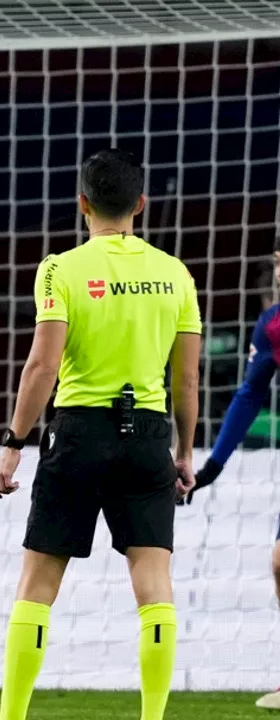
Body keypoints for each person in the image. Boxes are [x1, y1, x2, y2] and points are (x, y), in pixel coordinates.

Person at [0, 149, 201, 720]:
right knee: (154, 588)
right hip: (149, 435)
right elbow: (186, 378)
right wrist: (183, 453)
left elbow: (41, 366)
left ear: (82, 204)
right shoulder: (176, 273)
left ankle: (11, 718)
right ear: (141, 205)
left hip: (79, 432)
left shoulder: (61, 268)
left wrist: (13, 443)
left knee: (37, 587)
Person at [180, 236, 280, 710]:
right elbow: (249, 395)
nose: (277, 270)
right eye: (276, 262)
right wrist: (212, 467)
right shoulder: (272, 326)